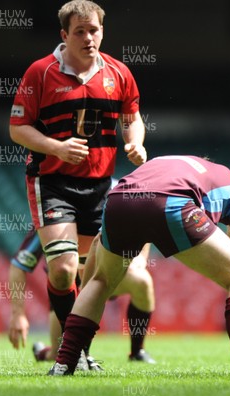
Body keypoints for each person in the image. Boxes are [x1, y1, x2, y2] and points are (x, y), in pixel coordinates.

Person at [8, 0, 147, 370]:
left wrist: (136, 141)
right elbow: (17, 128)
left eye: (95, 30)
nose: (89, 37)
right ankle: (76, 353)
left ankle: (73, 351)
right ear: (64, 35)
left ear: (103, 30)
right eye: (80, 31)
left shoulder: (118, 73)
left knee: (85, 276)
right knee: (63, 269)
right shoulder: (40, 73)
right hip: (52, 182)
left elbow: (132, 119)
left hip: (99, 186)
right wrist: (56, 147)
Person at [48, 155, 230, 380]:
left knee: (102, 281)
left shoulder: (174, 165)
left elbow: (98, 244)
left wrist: (89, 294)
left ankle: (64, 362)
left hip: (117, 201)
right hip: (171, 203)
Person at [7, 229, 157, 364]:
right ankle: (45, 353)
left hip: (102, 279)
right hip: (67, 295)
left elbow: (140, 220)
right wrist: (18, 314)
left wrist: (141, 258)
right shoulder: (52, 214)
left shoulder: (107, 204)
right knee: (59, 355)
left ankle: (137, 351)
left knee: (142, 281)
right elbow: (18, 265)